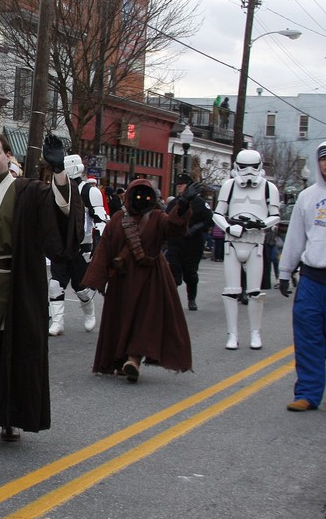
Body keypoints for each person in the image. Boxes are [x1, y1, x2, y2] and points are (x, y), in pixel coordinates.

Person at [0, 134, 81, 448]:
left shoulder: (26, 191)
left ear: (8, 155)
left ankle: (9, 416)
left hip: (12, 285)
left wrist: (58, 174)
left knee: (10, 350)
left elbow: (61, 213)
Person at [83, 178, 201, 383]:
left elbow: (174, 228)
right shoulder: (118, 219)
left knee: (144, 321)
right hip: (122, 282)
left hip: (150, 281)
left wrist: (183, 204)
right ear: (129, 196)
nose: (141, 200)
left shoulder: (157, 218)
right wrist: (97, 279)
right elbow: (104, 250)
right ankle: (120, 360)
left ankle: (134, 359)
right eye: (137, 195)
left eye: (146, 195)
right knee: (121, 322)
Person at [279, 140, 326, 411]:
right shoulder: (307, 197)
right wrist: (284, 270)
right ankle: (308, 394)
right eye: (324, 159)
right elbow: (295, 237)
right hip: (312, 278)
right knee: (309, 339)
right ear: (317, 162)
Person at [211, 149, 281, 350]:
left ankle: (255, 332)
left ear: (260, 167)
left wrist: (261, 224)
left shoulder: (269, 188)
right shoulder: (229, 186)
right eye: (244, 167)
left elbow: (275, 215)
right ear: (236, 167)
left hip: (255, 243)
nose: (248, 172)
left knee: (255, 292)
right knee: (231, 291)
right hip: (232, 242)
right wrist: (229, 227)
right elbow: (218, 213)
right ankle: (232, 333)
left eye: (253, 167)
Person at [47, 154, 107, 336]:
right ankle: (57, 321)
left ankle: (89, 311)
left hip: (82, 247)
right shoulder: (56, 188)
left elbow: (101, 219)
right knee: (55, 284)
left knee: (81, 287)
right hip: (62, 245)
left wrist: (103, 246)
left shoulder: (89, 191)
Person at [164, 173, 213, 311]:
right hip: (175, 243)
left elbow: (209, 220)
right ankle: (171, 300)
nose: (179, 187)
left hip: (193, 243)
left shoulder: (200, 203)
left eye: (182, 185)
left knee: (190, 273)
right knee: (173, 272)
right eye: (177, 185)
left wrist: (197, 228)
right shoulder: (175, 203)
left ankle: (192, 298)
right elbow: (167, 219)